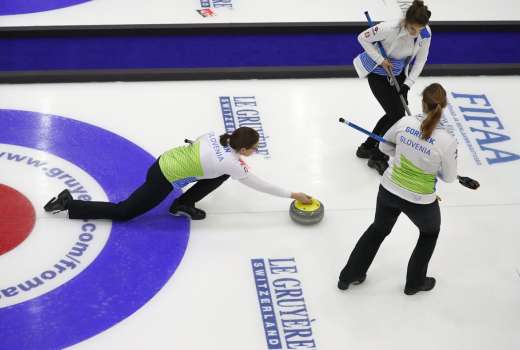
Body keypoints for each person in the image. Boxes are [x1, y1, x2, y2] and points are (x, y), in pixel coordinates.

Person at [338, 83, 457, 295]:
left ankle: (349, 275)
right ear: (443, 106)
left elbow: (384, 146)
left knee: (378, 229)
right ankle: (414, 283)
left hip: (389, 189)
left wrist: (404, 153)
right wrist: (430, 167)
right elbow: (448, 178)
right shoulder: (447, 141)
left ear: (422, 102)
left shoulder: (405, 122)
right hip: (420, 200)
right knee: (429, 234)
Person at [44, 127, 312, 221]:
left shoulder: (215, 136)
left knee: (219, 174)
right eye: (254, 149)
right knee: (124, 213)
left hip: (164, 160)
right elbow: (258, 184)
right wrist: (293, 194)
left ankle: (182, 204)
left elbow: (197, 144)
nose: (255, 151)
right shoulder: (233, 162)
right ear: (242, 148)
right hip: (163, 179)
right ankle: (69, 203)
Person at [353, 0, 432, 175]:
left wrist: (407, 84)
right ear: (406, 21)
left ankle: (368, 146)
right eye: (412, 29)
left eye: (419, 30)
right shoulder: (388, 28)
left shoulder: (424, 33)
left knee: (394, 114)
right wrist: (380, 60)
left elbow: (421, 61)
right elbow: (362, 38)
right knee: (397, 115)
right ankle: (377, 156)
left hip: (399, 74)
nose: (415, 34)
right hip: (378, 74)